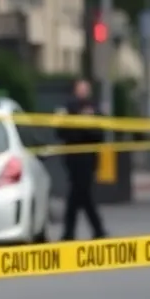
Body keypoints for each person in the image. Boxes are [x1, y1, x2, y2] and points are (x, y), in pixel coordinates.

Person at [57, 78, 108, 241]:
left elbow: (99, 134)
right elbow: (62, 132)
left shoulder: (94, 108)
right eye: (81, 89)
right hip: (74, 159)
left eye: (86, 89)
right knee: (81, 195)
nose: (84, 92)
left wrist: (88, 124)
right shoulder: (68, 109)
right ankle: (95, 229)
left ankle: (71, 232)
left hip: (89, 159)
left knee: (79, 195)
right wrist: (83, 124)